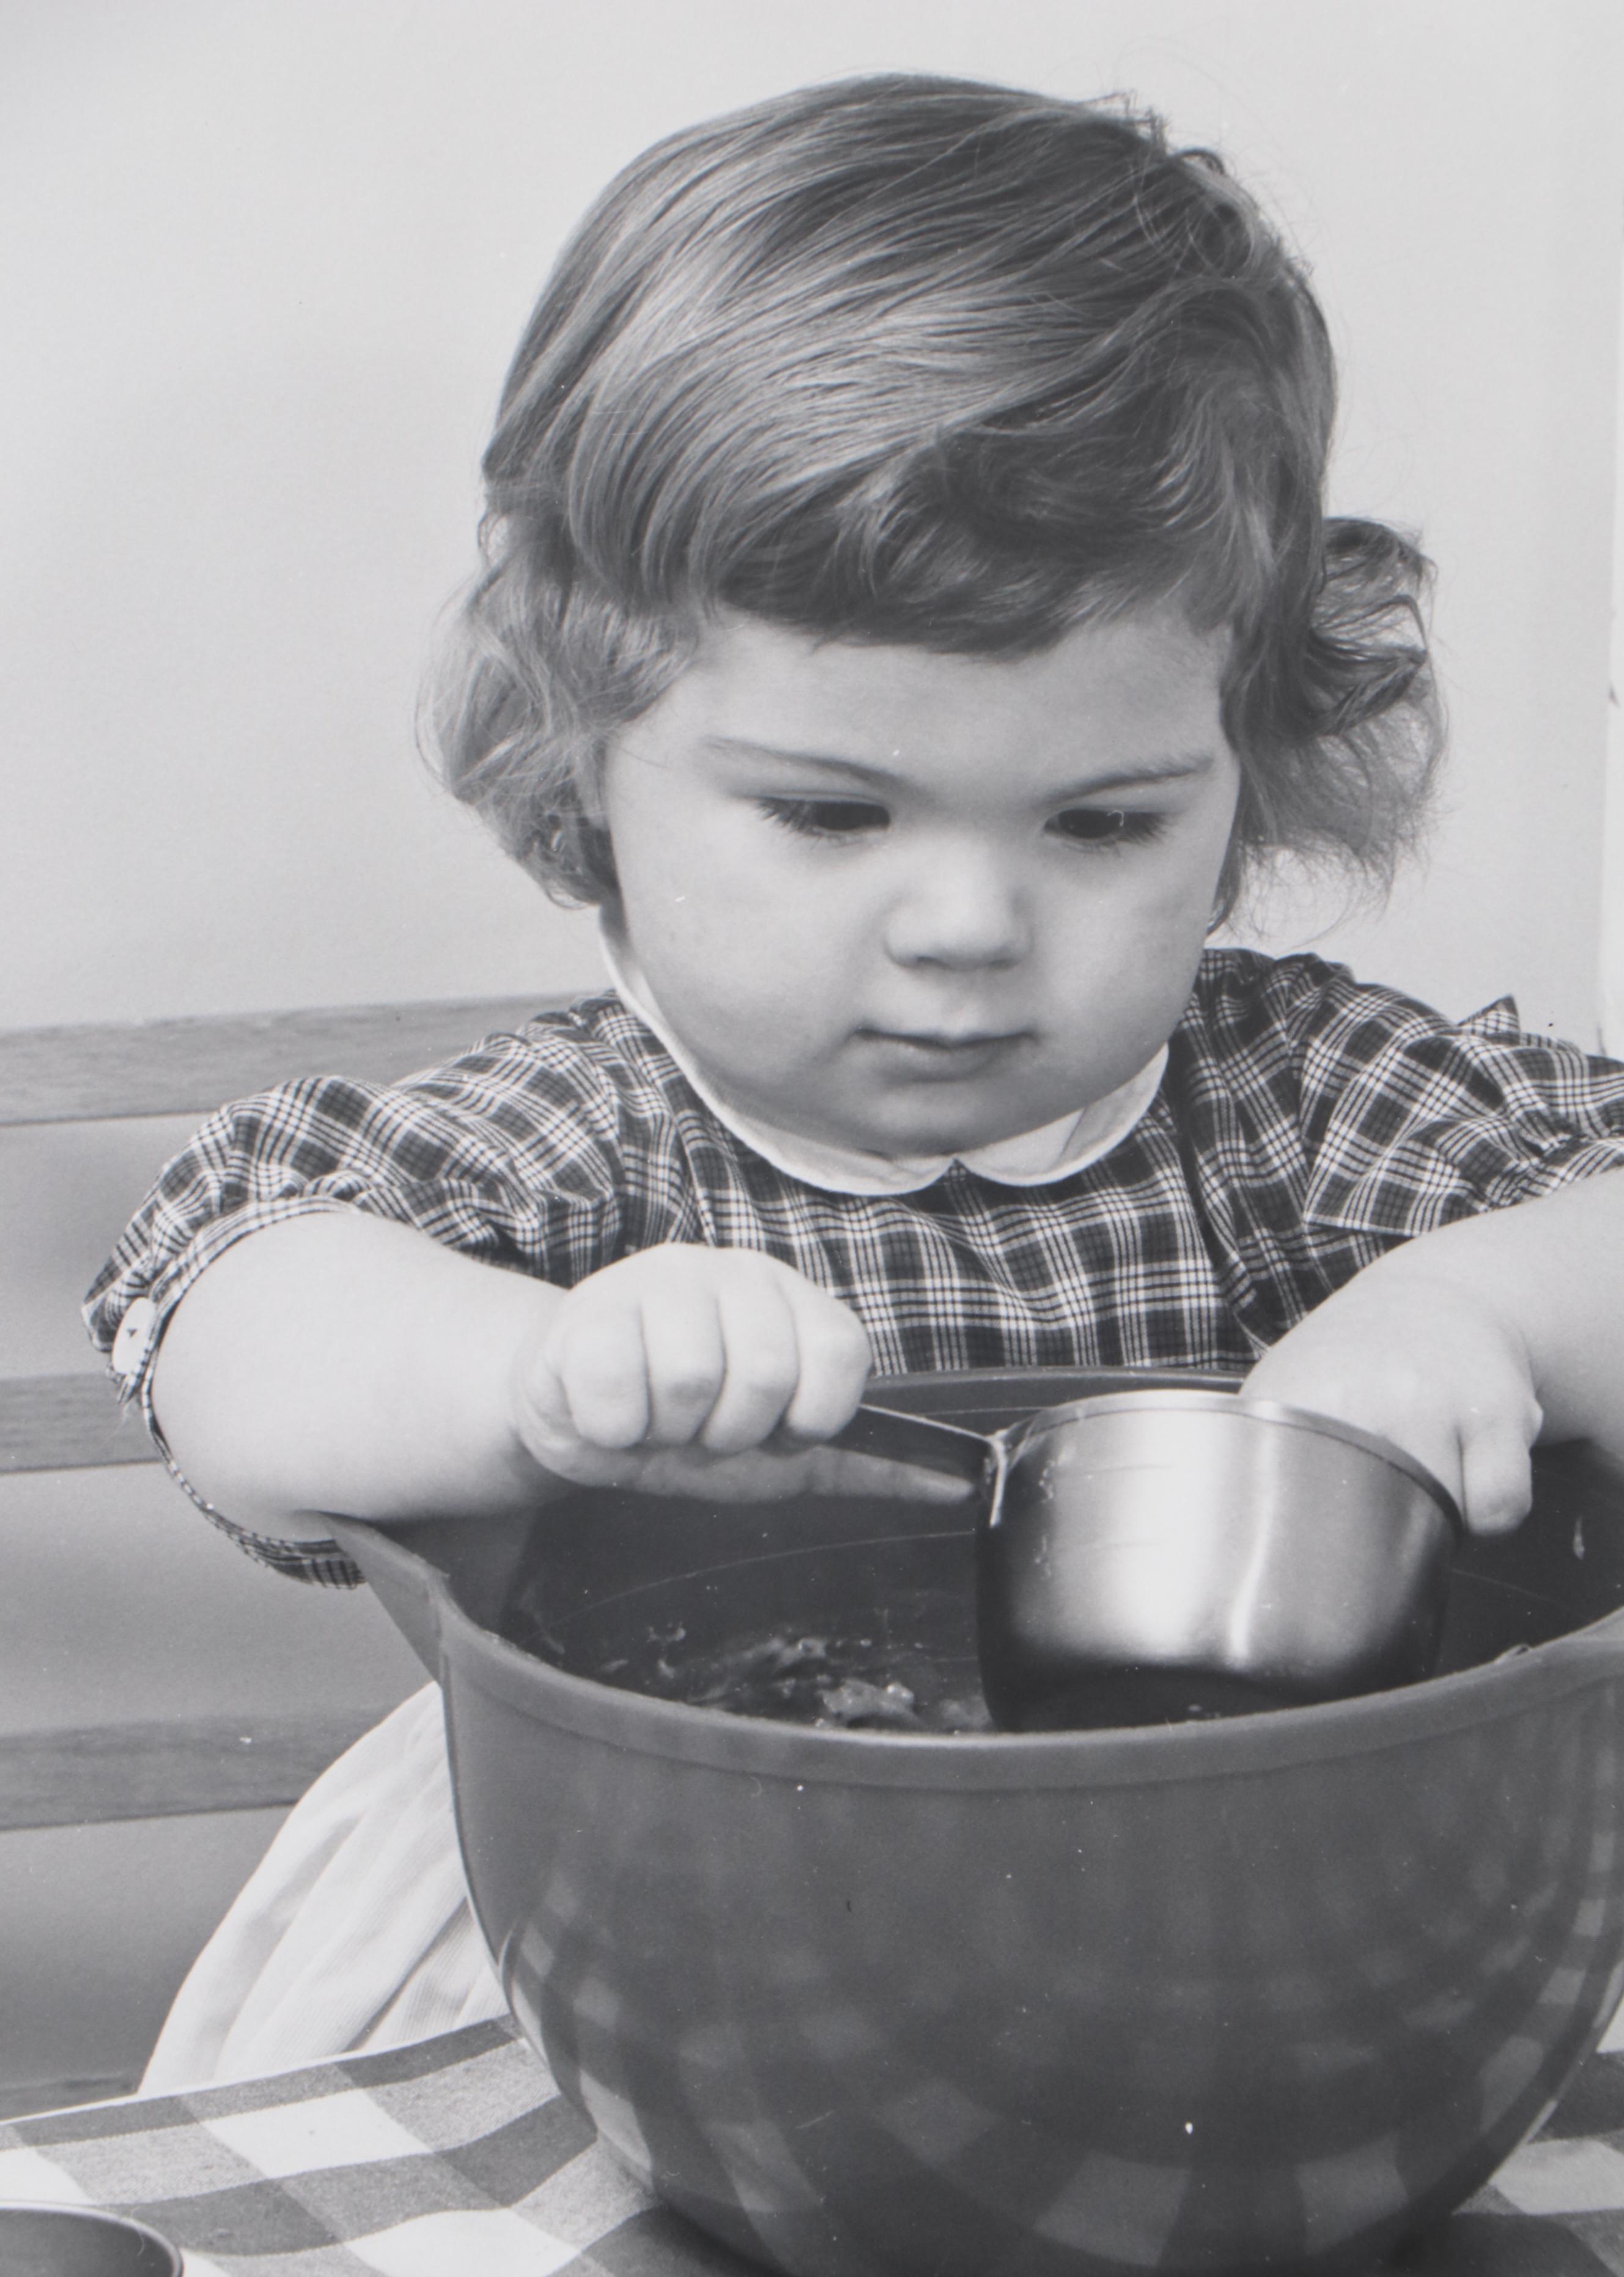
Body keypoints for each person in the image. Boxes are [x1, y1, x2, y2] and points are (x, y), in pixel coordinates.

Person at [87, 73, 1624, 2089]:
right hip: (646, 1941)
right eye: (832, 813)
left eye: (1100, 824)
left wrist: (1478, 1312)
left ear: (1250, 771)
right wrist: (527, 1372)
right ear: (590, 758)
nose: (971, 924)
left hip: (1270, 1931)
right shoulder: (587, 1147)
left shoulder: (1295, 1111)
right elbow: (226, 1315)